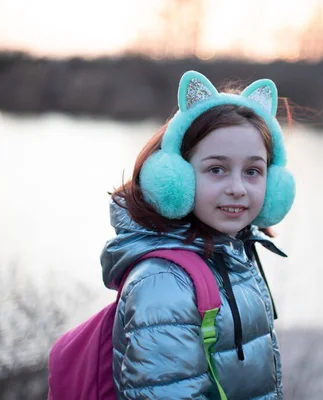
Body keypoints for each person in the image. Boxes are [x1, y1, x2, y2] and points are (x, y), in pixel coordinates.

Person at [100, 70, 296, 399]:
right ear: (176, 180)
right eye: (216, 169)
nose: (237, 189)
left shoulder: (234, 254)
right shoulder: (163, 284)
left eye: (253, 171)